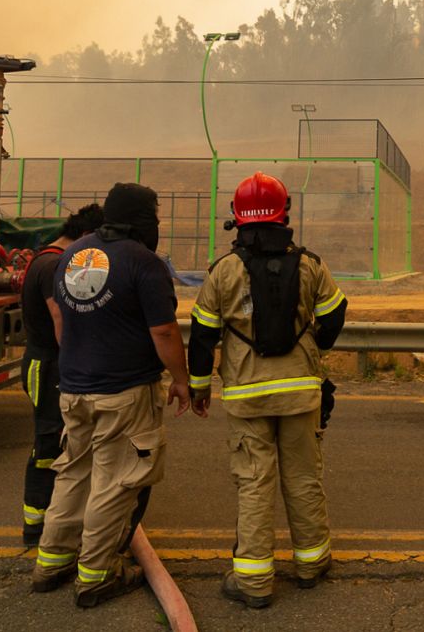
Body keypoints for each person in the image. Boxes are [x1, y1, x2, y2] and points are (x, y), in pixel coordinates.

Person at [188, 172, 348, 609]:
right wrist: (314, 348)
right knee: (303, 476)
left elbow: (202, 335)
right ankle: (312, 564)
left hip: (247, 394)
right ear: (285, 212)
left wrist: (199, 387)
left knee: (255, 481)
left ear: (237, 216)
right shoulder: (311, 265)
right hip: (300, 391)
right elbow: (334, 316)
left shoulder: (223, 271)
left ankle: (255, 583)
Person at [32, 183, 194, 608]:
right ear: (142, 220)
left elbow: (65, 321)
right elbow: (164, 331)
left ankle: (51, 561)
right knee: (115, 482)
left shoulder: (72, 255)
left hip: (74, 390)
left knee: (73, 473)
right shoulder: (143, 263)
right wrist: (181, 378)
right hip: (122, 392)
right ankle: (97, 573)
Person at [19, 202, 104, 548]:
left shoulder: (47, 258)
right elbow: (61, 319)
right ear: (85, 235)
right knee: (48, 444)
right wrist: (80, 361)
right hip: (49, 365)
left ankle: (49, 520)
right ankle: (36, 527)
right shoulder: (55, 264)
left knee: (59, 442)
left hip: (48, 362)